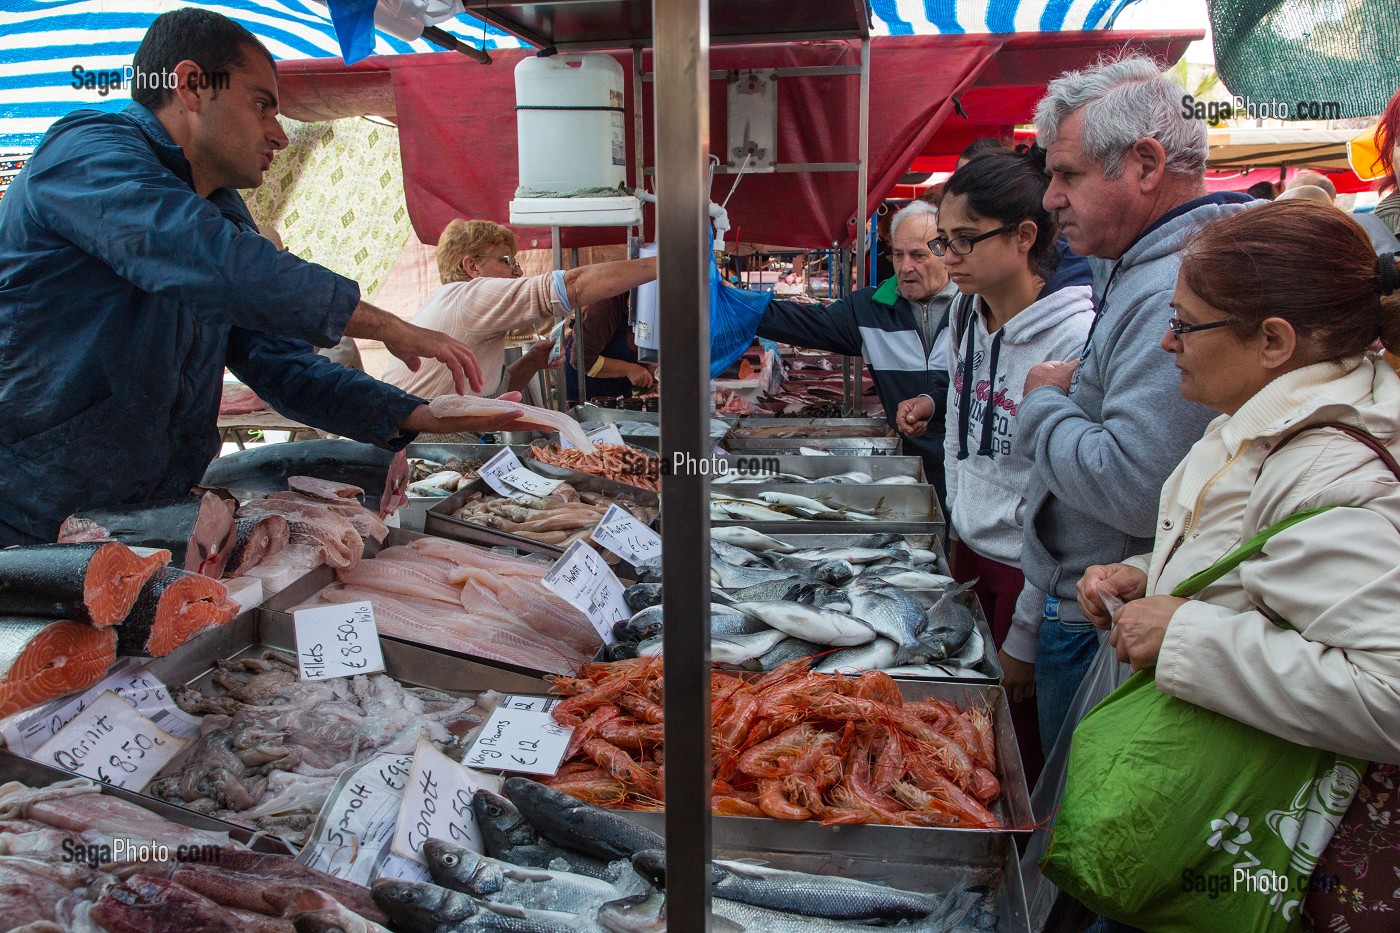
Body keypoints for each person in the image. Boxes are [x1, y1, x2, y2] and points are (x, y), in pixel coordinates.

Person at [0, 9, 521, 547]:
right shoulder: (86, 155)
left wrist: (415, 413)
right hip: (36, 516)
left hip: (154, 515)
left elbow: (278, 363)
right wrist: (384, 324)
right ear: (191, 86)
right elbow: (211, 261)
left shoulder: (221, 210)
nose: (280, 136)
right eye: (261, 105)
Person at [1077, 199, 1400, 925]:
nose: (1168, 342)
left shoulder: (1326, 463)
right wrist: (1152, 574)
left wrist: (1187, 635)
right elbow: (1272, 569)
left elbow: (1390, 688)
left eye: (1187, 323)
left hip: (1275, 849)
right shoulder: (1266, 423)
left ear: (1275, 340)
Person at [1006, 55, 1254, 756]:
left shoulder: (1172, 283)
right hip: (1100, 608)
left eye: (1068, 174)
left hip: (1107, 626)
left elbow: (1135, 485)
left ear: (1147, 164)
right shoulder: (1140, 266)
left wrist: (1045, 404)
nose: (1050, 197)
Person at [894, 148, 1094, 783]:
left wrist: (1028, 632)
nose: (947, 260)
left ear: (1024, 236)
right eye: (943, 243)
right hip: (969, 551)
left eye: (961, 244)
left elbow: (1063, 501)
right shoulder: (965, 313)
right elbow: (965, 425)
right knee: (959, 736)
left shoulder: (1075, 340)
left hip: (1028, 576)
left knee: (1015, 753)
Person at [756, 201, 959, 505]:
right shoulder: (869, 308)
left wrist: (934, 403)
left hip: (972, 471)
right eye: (898, 254)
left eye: (918, 255)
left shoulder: (976, 307)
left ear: (945, 252)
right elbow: (799, 322)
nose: (905, 267)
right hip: (907, 470)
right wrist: (732, 304)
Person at [382, 219, 656, 399]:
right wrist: (661, 264)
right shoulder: (472, 296)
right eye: (507, 261)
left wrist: (533, 361)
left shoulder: (460, 305)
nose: (518, 271)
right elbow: (574, 285)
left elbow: (492, 394)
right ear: (471, 267)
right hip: (419, 445)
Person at [563, 294, 655, 403]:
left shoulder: (655, 309)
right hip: (586, 389)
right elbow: (581, 360)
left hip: (618, 392)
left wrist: (651, 368)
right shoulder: (605, 306)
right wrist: (631, 370)